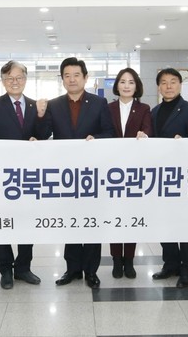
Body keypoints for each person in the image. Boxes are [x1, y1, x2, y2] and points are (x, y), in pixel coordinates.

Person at [36, 57, 115, 289]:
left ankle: (91, 271)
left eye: (76, 75)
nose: (72, 79)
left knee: (91, 222)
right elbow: (42, 135)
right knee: (70, 222)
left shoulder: (99, 103)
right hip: (65, 175)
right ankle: (72, 269)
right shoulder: (54, 105)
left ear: (85, 78)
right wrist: (40, 115)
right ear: (62, 79)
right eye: (67, 76)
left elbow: (109, 133)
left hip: (91, 174)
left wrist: (95, 138)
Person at [0, 60, 43, 290]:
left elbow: (44, 133)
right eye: (9, 78)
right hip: (2, 176)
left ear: (25, 79)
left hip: (29, 176)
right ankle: (5, 270)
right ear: (3, 81)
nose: (14, 82)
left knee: (27, 222)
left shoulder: (35, 105)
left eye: (19, 77)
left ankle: (24, 267)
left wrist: (40, 125)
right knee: (4, 223)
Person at [150, 68, 188, 289]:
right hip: (161, 177)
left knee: (186, 225)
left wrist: (185, 143)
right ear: (158, 87)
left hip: (184, 177)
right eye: (164, 82)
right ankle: (170, 264)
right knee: (165, 223)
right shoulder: (154, 111)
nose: (168, 86)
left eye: (173, 82)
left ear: (180, 85)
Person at [107, 67, 151, 279]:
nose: (126, 86)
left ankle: (129, 260)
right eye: (123, 82)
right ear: (117, 85)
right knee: (115, 217)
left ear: (136, 86)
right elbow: (103, 132)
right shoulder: (108, 108)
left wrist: (145, 135)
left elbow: (149, 129)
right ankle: (116, 260)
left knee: (131, 216)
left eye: (131, 82)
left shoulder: (144, 109)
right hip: (111, 172)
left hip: (134, 172)